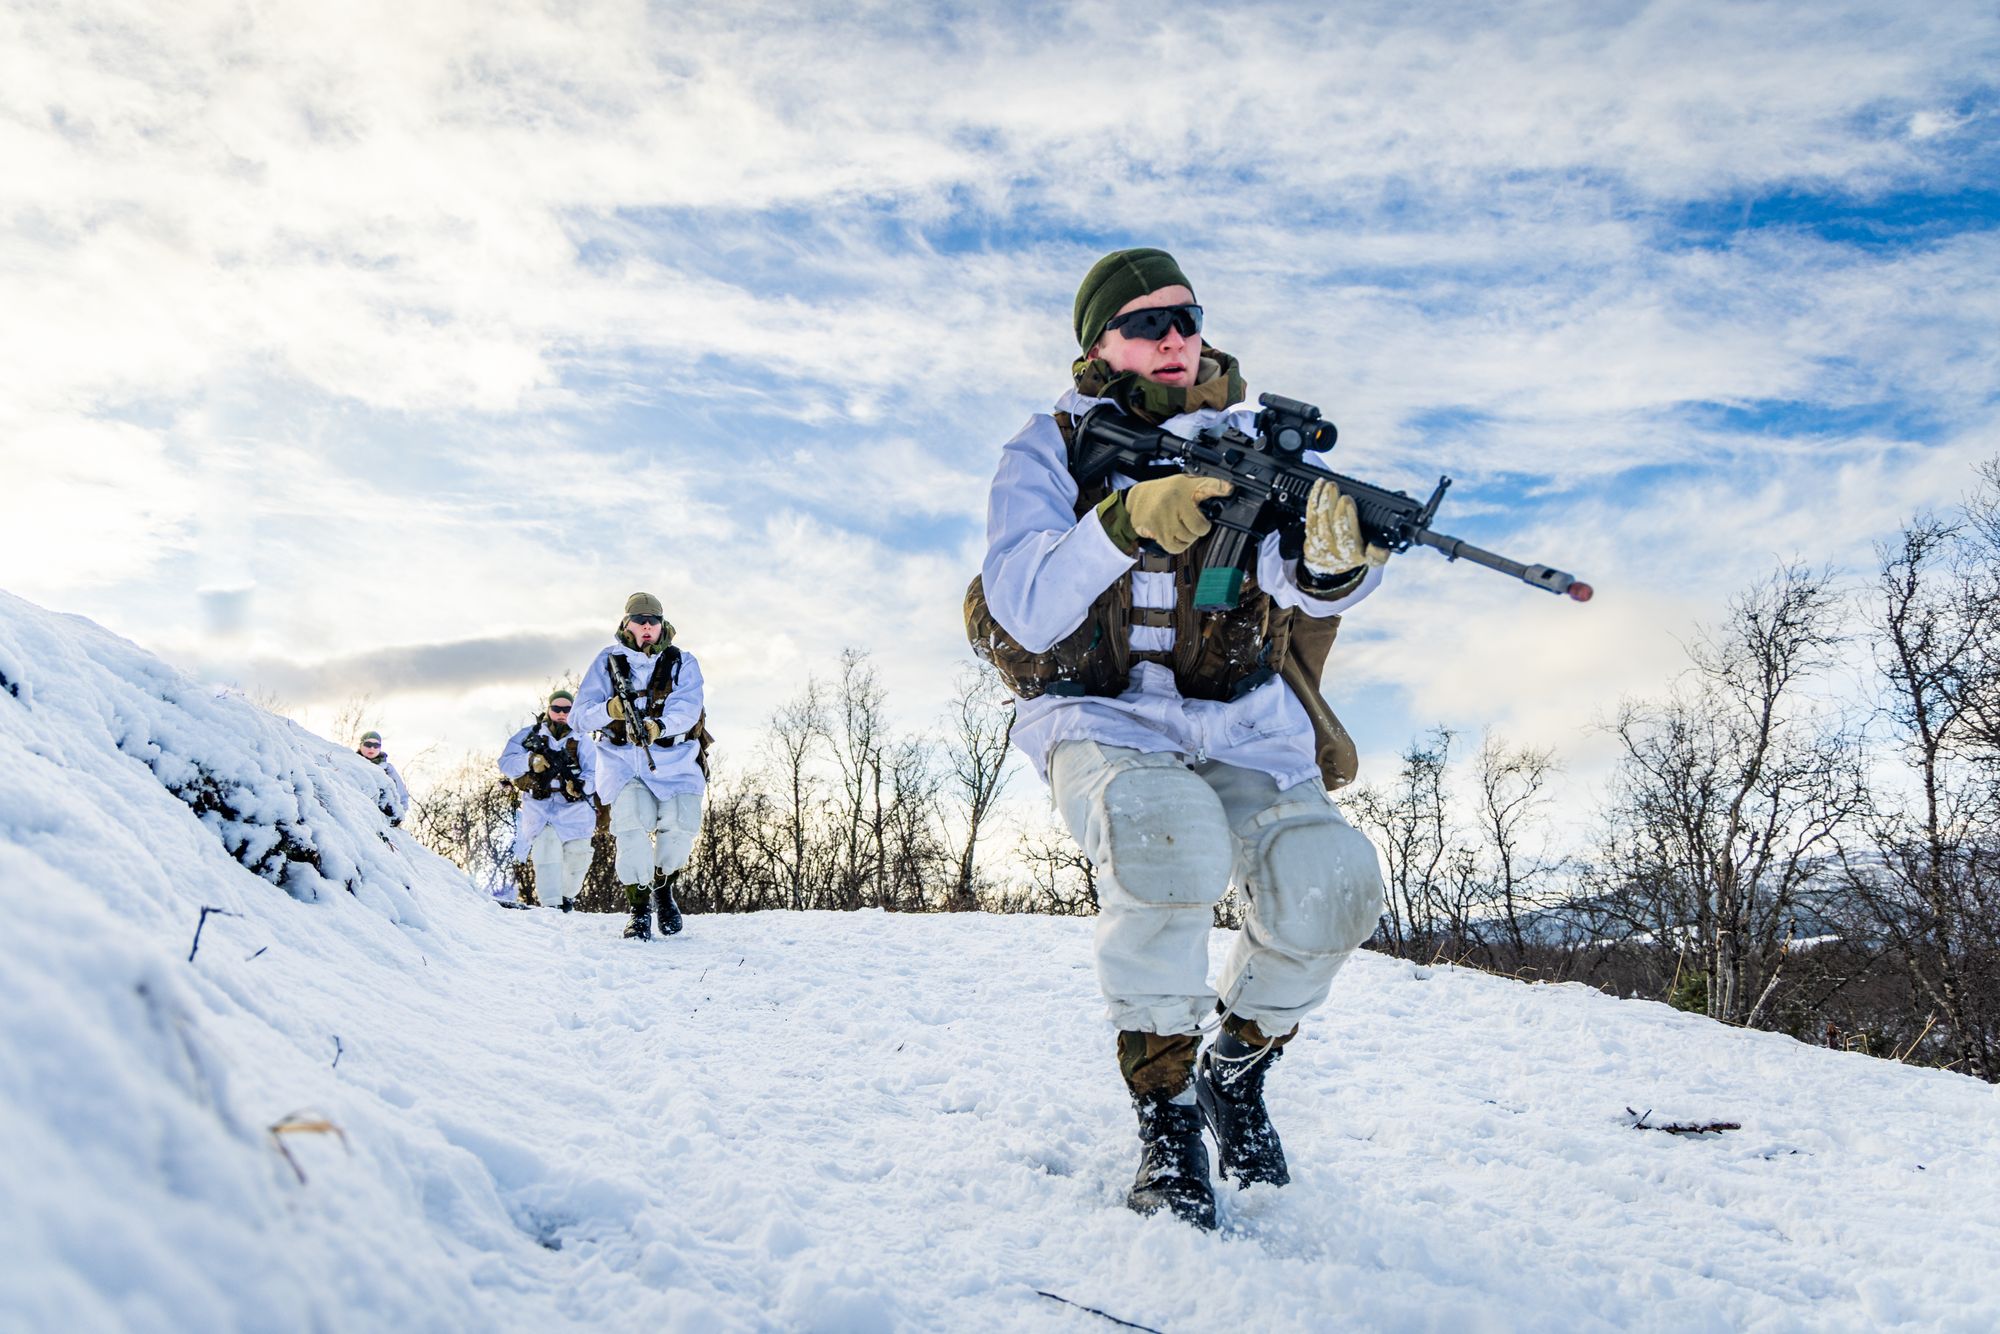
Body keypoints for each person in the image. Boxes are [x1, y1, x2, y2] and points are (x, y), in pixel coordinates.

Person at [971, 247, 1389, 1229]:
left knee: (1332, 883)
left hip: (1243, 720)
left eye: (1185, 318)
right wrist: (1121, 521)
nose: (1172, 338)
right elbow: (1021, 600)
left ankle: (1232, 1069)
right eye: (1144, 322)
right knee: (1165, 840)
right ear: (1098, 343)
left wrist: (1336, 562)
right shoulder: (1049, 446)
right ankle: (1164, 1116)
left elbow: (1305, 580)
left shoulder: (1258, 441)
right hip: (1099, 712)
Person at [571, 593, 706, 941]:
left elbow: (688, 708)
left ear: (661, 625)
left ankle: (663, 888)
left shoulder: (682, 661)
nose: (646, 627)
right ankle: (640, 908)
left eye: (652, 621)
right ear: (626, 624)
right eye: (639, 621)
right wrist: (610, 710)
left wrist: (658, 727)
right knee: (631, 827)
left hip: (675, 760)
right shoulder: (607, 660)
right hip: (623, 761)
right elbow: (579, 717)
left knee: (679, 829)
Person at [497, 689, 598, 910]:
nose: (561, 714)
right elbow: (505, 763)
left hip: (574, 809)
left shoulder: (581, 739)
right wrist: (530, 760)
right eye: (556, 709)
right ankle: (551, 906)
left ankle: (566, 897)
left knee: (577, 858)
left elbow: (595, 772)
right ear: (548, 709)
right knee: (546, 850)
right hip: (539, 806)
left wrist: (580, 785)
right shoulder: (528, 735)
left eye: (567, 709)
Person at [357, 729, 409, 827]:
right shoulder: (350, 763)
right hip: (359, 814)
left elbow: (402, 795)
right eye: (368, 744)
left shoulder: (388, 769)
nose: (372, 748)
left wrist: (397, 816)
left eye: (376, 745)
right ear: (361, 745)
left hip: (382, 820)